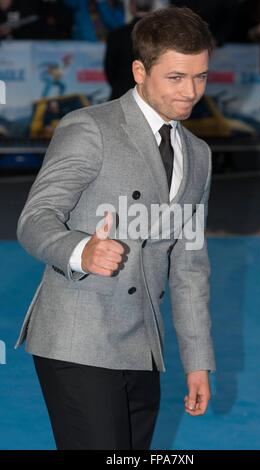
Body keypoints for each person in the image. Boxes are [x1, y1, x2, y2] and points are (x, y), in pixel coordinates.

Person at [15, 7, 216, 450]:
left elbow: (189, 265)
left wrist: (198, 360)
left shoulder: (198, 154)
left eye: (200, 77)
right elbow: (35, 218)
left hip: (144, 345)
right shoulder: (90, 128)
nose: (191, 92)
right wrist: (79, 249)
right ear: (140, 71)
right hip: (77, 338)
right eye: (176, 78)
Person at [105, 0, 154, 100]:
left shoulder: (117, 35)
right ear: (151, 6)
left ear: (132, 7)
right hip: (151, 94)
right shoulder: (161, 35)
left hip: (122, 93)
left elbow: (109, 70)